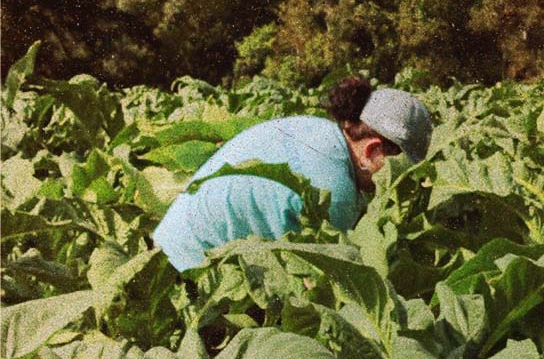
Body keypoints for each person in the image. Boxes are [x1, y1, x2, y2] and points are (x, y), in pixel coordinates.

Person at [151, 76, 433, 272]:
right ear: (372, 151)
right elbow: (322, 288)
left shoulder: (319, 132)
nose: (398, 183)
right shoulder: (333, 192)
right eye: (398, 170)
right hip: (190, 270)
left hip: (166, 246)